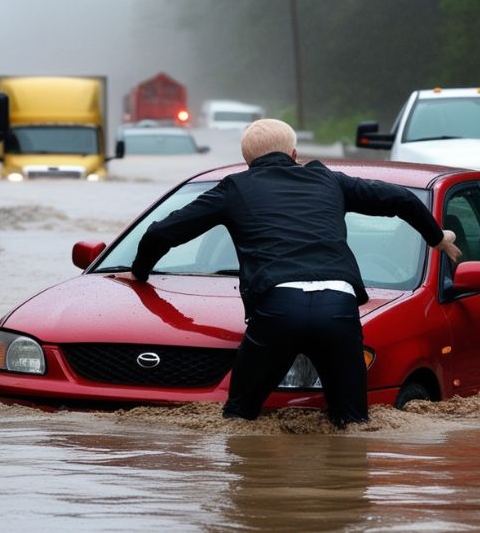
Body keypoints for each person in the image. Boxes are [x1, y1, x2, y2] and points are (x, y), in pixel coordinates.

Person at [129, 118, 461, 426]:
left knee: (238, 420)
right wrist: (437, 237)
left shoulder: (235, 189)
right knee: (353, 424)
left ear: (247, 161)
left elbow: (162, 233)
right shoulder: (328, 179)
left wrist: (140, 272)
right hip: (338, 307)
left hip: (277, 310)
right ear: (294, 154)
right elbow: (400, 199)